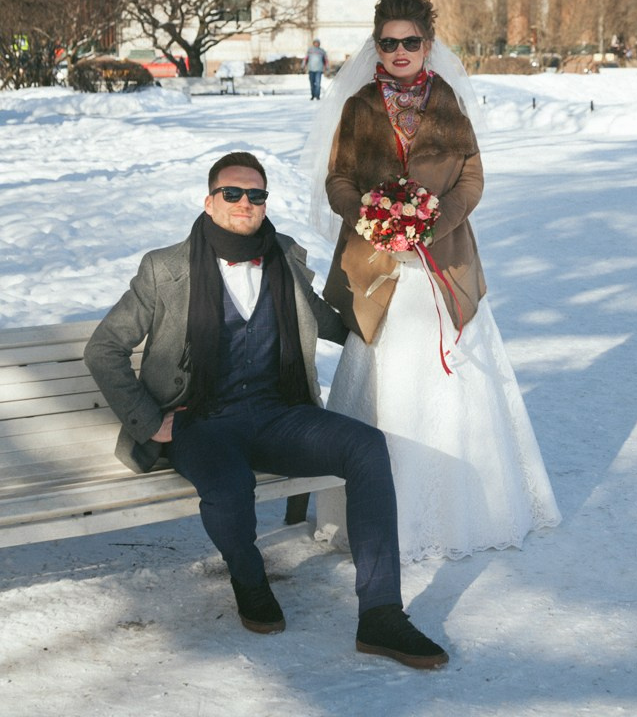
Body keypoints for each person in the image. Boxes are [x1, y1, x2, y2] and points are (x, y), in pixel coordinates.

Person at [84, 151, 449, 669]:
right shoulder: (164, 269)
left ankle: (381, 614)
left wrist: (407, 304)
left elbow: (333, 323)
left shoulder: (284, 258)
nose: (244, 203)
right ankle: (249, 580)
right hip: (201, 420)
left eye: (256, 195)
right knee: (231, 485)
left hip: (278, 415)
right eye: (232, 193)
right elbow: (104, 348)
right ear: (209, 201)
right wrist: (150, 420)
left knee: (366, 447)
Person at [306, 0, 560, 564]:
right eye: (388, 42)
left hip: (444, 262)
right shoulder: (359, 107)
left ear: (428, 44)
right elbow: (338, 179)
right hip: (380, 269)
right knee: (386, 385)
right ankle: (379, 518)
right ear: (377, 45)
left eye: (410, 42)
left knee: (454, 393)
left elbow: (471, 178)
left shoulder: (447, 102)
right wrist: (372, 217)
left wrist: (434, 220)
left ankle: (462, 513)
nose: (399, 51)